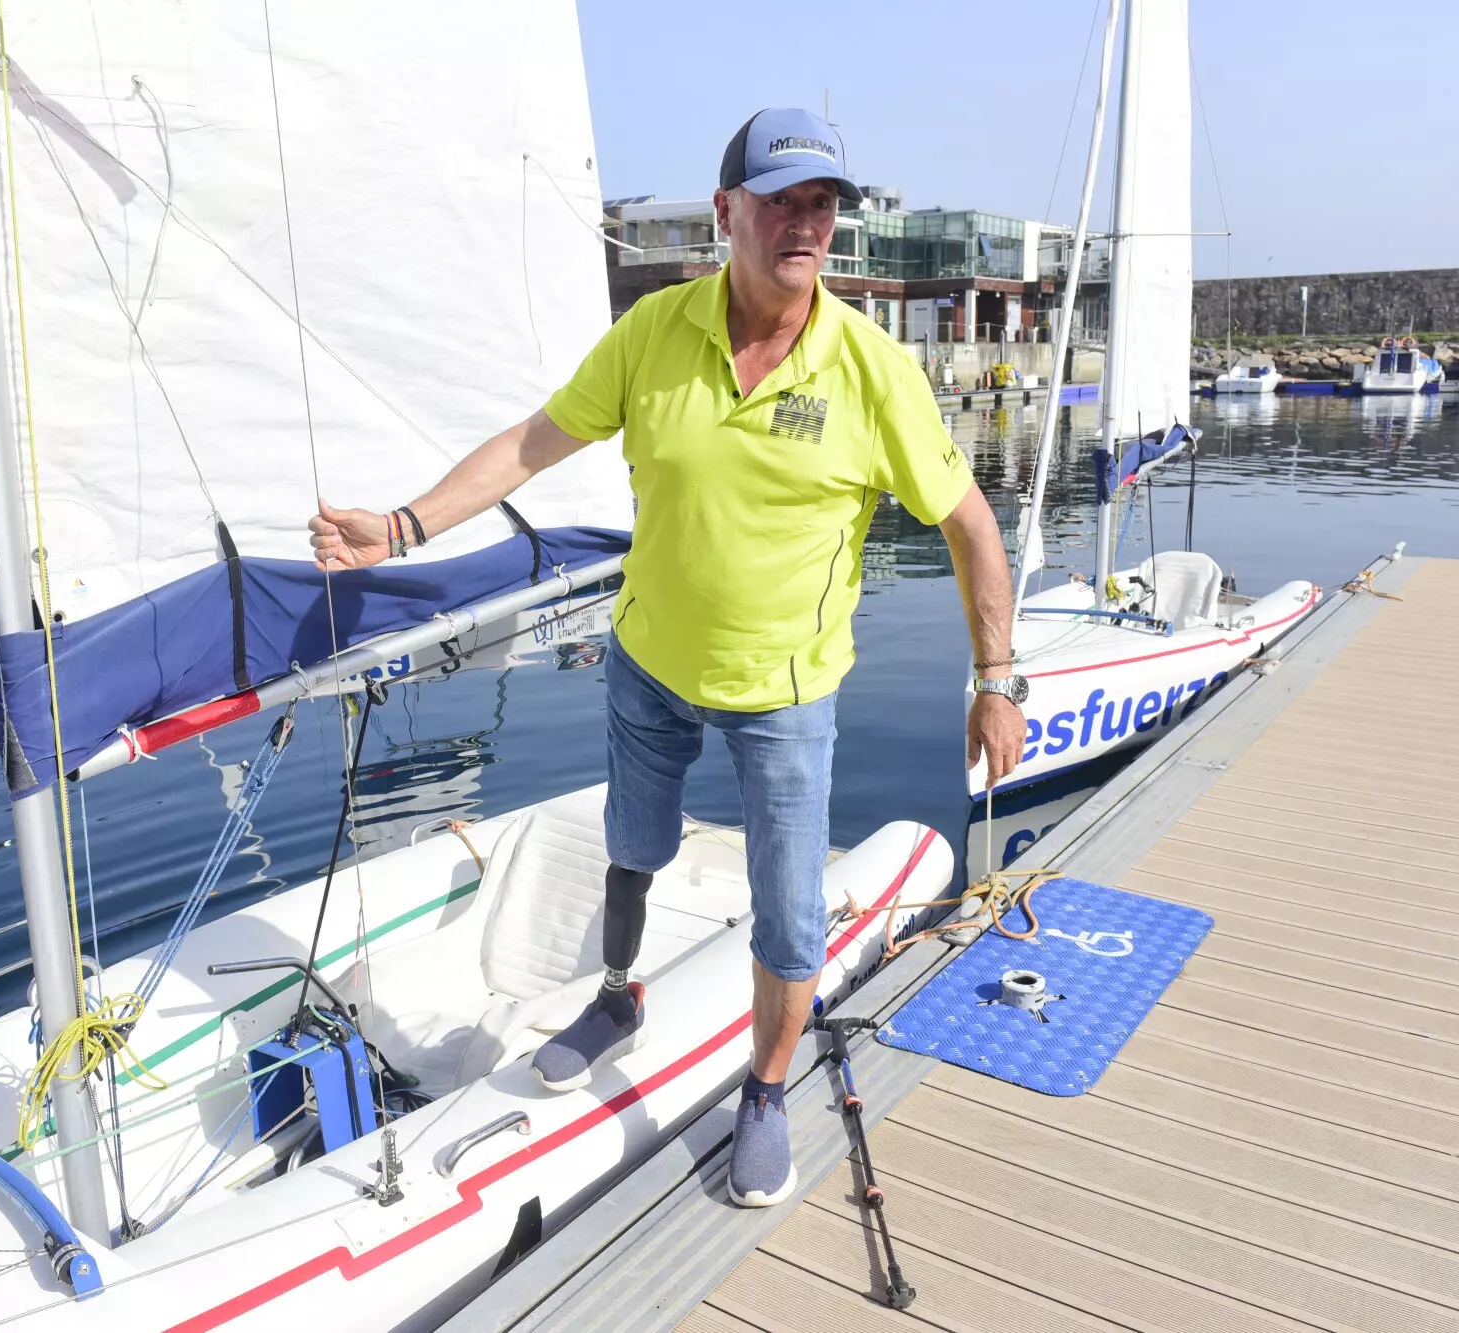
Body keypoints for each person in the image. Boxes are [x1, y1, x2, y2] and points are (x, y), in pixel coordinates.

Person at [309, 107, 1026, 1208]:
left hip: (786, 693)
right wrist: (400, 530)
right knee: (630, 843)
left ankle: (766, 1091)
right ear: (725, 212)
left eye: (821, 203)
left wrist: (994, 682)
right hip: (647, 661)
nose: (804, 222)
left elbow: (971, 526)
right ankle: (613, 994)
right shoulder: (656, 332)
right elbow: (532, 442)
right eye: (781, 200)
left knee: (788, 912)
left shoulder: (871, 369)